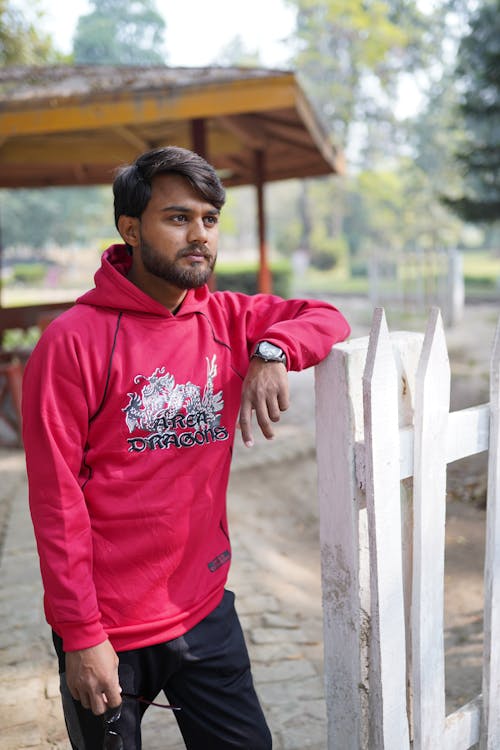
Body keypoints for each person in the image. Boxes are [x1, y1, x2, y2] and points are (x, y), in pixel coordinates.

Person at [22, 145, 350, 750]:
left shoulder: (226, 319)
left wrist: (272, 351)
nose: (199, 234)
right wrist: (79, 633)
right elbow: (55, 501)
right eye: (177, 218)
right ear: (130, 228)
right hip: (109, 630)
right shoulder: (72, 342)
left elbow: (326, 316)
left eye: (209, 219)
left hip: (204, 610)